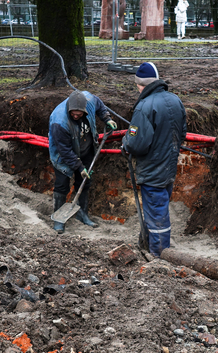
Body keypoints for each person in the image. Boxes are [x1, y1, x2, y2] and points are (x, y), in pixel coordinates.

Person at [122, 62, 187, 257]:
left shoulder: (144, 107)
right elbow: (182, 132)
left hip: (152, 170)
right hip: (168, 167)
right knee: (160, 208)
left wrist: (126, 142)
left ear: (139, 85)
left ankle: (159, 255)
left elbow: (136, 144)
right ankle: (156, 247)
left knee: (157, 215)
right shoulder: (175, 100)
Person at [48, 90, 117, 234]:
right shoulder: (59, 121)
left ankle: (82, 214)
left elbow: (99, 103)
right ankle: (59, 219)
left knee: (84, 183)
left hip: (85, 149)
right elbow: (65, 151)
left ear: (85, 109)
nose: (75, 115)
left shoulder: (90, 101)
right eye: (73, 113)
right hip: (63, 156)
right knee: (62, 185)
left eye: (79, 114)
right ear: (69, 108)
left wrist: (107, 118)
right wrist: (79, 167)